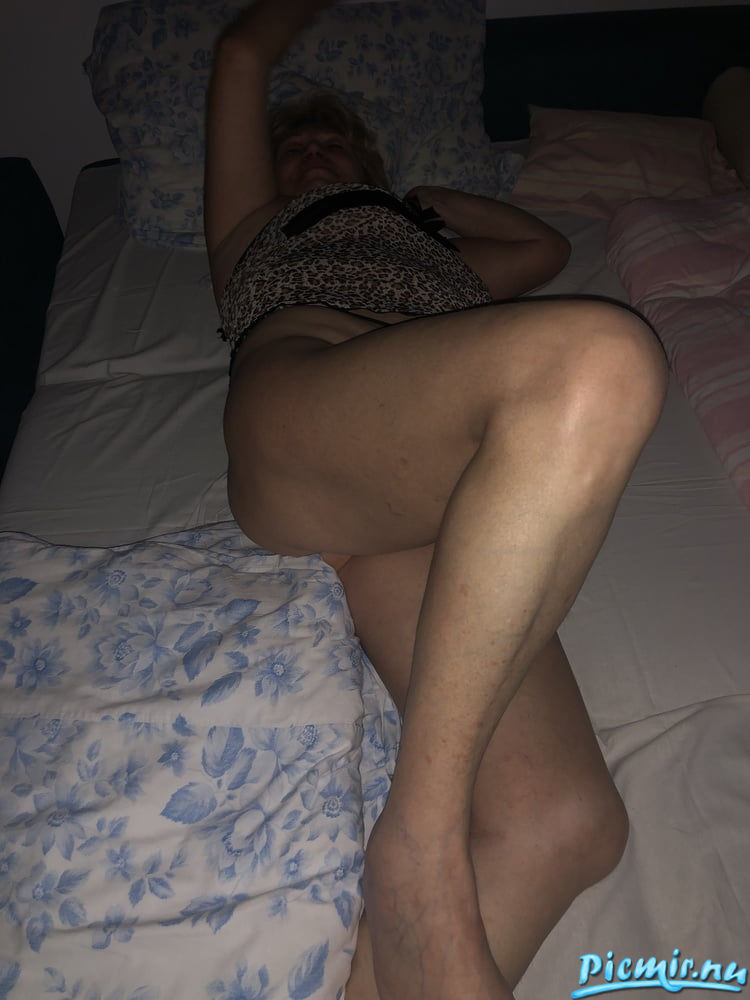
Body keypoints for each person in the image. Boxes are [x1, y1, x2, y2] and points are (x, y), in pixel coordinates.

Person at [204, 2, 668, 998]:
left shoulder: (442, 253)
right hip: (308, 396)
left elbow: (543, 251)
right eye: (295, 146)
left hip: (423, 494)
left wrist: (425, 202)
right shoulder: (252, 229)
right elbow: (243, 51)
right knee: (598, 365)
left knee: (567, 822)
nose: (313, 151)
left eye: (333, 140)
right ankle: (419, 843)